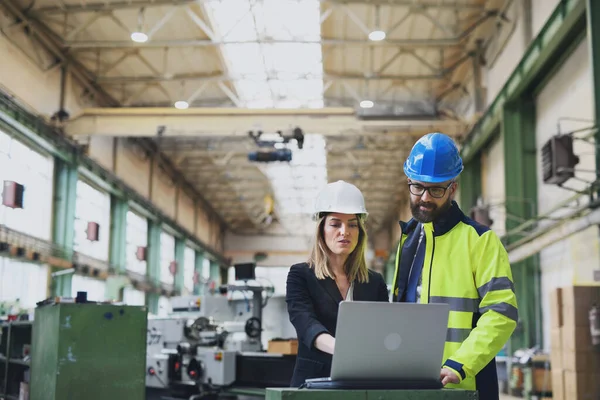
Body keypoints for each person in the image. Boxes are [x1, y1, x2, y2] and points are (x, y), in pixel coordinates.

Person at [391, 132, 518, 400]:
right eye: (417, 187)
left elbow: (501, 314)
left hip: (465, 384)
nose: (424, 197)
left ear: (453, 188)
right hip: (410, 382)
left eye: (435, 189)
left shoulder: (481, 241)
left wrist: (460, 364)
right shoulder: (409, 239)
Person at [285, 180, 389, 387]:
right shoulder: (301, 275)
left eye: (352, 224)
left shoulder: (373, 282)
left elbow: (382, 330)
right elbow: (306, 325)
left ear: (360, 232)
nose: (345, 231)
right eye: (335, 224)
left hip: (361, 382)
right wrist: (344, 349)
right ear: (321, 229)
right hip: (312, 384)